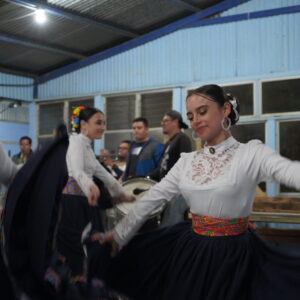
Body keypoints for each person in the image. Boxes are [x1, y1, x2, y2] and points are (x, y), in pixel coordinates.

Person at [97, 84, 300, 300]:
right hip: (193, 250)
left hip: (235, 255)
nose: (196, 120)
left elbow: (289, 171)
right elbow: (154, 198)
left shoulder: (251, 153)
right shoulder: (187, 161)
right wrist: (119, 234)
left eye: (203, 112)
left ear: (225, 110)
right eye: (191, 116)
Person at [56, 106, 133, 279]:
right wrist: (90, 186)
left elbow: (104, 174)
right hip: (72, 203)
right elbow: (76, 171)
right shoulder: (75, 141)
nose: (103, 127)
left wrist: (121, 194)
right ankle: (75, 286)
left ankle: (87, 284)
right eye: (98, 123)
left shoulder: (87, 146)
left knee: (91, 244)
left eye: (104, 123)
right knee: (76, 249)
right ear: (83, 124)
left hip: (84, 202)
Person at [148, 110, 192, 226]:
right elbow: (162, 168)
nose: (162, 123)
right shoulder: (168, 143)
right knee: (164, 225)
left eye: (166, 121)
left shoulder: (183, 139)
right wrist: (145, 177)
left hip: (176, 193)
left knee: (171, 227)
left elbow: (184, 166)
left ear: (175, 122)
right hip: (167, 191)